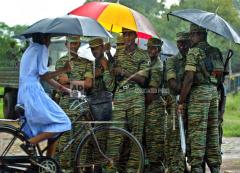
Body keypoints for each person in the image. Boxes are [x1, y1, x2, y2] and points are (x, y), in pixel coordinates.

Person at [17, 33, 72, 157]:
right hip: (33, 93)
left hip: (25, 92)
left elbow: (41, 75)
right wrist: (63, 70)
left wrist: (61, 88)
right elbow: (44, 75)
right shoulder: (42, 48)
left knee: (54, 128)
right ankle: (30, 143)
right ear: (44, 38)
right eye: (50, 38)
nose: (51, 41)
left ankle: (47, 163)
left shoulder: (30, 49)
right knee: (63, 122)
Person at [177, 24, 222, 173]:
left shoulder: (194, 52)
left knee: (197, 133)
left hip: (199, 94)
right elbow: (220, 76)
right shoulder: (215, 52)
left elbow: (189, 78)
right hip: (213, 94)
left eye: (191, 35)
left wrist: (181, 101)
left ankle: (197, 167)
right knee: (212, 132)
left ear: (198, 34)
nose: (190, 38)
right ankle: (215, 166)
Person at [111, 28, 149, 172]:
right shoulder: (118, 53)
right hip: (120, 96)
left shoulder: (143, 55)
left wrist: (124, 72)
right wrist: (110, 58)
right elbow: (113, 72)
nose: (126, 37)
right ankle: (113, 168)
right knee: (116, 135)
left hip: (136, 97)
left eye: (129, 34)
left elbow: (143, 79)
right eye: (124, 35)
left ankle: (132, 170)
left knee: (135, 135)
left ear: (135, 36)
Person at [55, 35, 93, 171]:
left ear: (79, 44)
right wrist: (79, 84)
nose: (73, 46)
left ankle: (79, 170)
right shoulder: (61, 63)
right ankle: (65, 169)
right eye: (70, 43)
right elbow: (60, 83)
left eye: (76, 43)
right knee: (65, 140)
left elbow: (88, 85)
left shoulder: (87, 63)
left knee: (81, 140)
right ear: (66, 44)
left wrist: (69, 83)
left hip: (81, 106)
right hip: (65, 106)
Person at [166, 32, 191, 173]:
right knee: (176, 141)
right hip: (177, 104)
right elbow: (172, 83)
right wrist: (187, 87)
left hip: (194, 105)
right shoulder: (172, 61)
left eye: (185, 43)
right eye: (179, 43)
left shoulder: (194, 59)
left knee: (193, 140)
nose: (182, 46)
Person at [144, 38, 166, 173]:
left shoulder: (157, 66)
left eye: (154, 48)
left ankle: (157, 167)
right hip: (150, 106)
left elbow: (152, 92)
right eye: (149, 47)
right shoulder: (149, 63)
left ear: (158, 50)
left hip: (154, 107)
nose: (150, 50)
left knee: (154, 140)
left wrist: (141, 102)